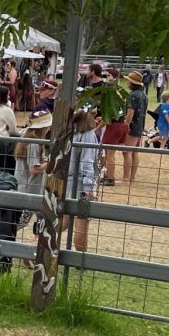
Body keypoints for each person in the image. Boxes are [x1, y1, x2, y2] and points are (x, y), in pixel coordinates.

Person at [65, 107, 100, 252]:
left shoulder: (68, 132)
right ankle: (81, 261)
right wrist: (88, 188)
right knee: (81, 224)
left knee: (64, 220)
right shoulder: (89, 134)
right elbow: (87, 161)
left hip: (67, 181)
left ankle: (37, 244)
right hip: (81, 183)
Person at [14, 110, 51, 229]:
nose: (48, 129)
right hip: (30, 190)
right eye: (47, 127)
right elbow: (34, 169)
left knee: (41, 218)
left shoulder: (26, 138)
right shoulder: (34, 143)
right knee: (20, 222)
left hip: (25, 187)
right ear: (42, 128)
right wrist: (51, 161)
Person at [123, 71, 148, 183]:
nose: (127, 82)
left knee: (127, 152)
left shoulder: (132, 95)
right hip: (140, 126)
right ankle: (132, 177)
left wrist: (126, 124)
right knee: (134, 152)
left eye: (128, 80)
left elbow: (130, 113)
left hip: (132, 127)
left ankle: (126, 178)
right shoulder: (144, 95)